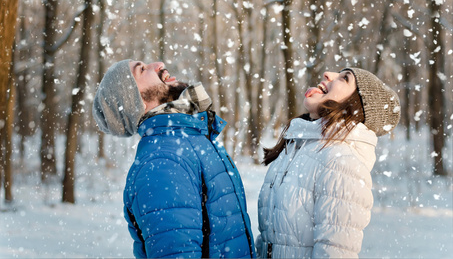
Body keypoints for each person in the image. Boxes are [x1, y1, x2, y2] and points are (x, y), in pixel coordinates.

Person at [92, 59, 255, 258]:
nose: (158, 64)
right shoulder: (161, 163)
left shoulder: (191, 138)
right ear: (137, 102)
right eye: (142, 70)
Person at [256, 67, 401, 258]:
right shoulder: (295, 148)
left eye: (344, 78)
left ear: (355, 105)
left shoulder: (342, 164)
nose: (328, 74)